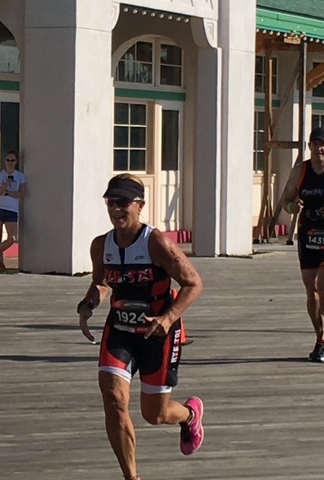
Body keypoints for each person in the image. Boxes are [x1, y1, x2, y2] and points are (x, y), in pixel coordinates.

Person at [77, 173, 204, 480]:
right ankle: (131, 477)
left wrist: (168, 318)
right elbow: (102, 282)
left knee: (155, 415)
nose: (116, 209)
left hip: (157, 334)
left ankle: (190, 414)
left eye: (123, 202)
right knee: (114, 399)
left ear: (139, 205)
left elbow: (193, 283)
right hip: (120, 330)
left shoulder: (156, 243)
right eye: (111, 202)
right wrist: (88, 305)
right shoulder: (100, 245)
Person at [280, 126, 324, 362]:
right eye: (315, 143)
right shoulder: (300, 171)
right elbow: (286, 200)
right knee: (312, 289)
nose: (320, 148)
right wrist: (292, 208)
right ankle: (320, 338)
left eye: (323, 144)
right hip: (308, 235)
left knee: (322, 284)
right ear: (310, 146)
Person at [0, 151, 26, 272]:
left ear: (16, 162)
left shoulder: (20, 176)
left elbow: (22, 194)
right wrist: (5, 185)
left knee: (12, 238)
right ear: (5, 161)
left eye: (12, 160)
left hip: (12, 209)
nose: (10, 163)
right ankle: (0, 264)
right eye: (8, 160)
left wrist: (7, 192)